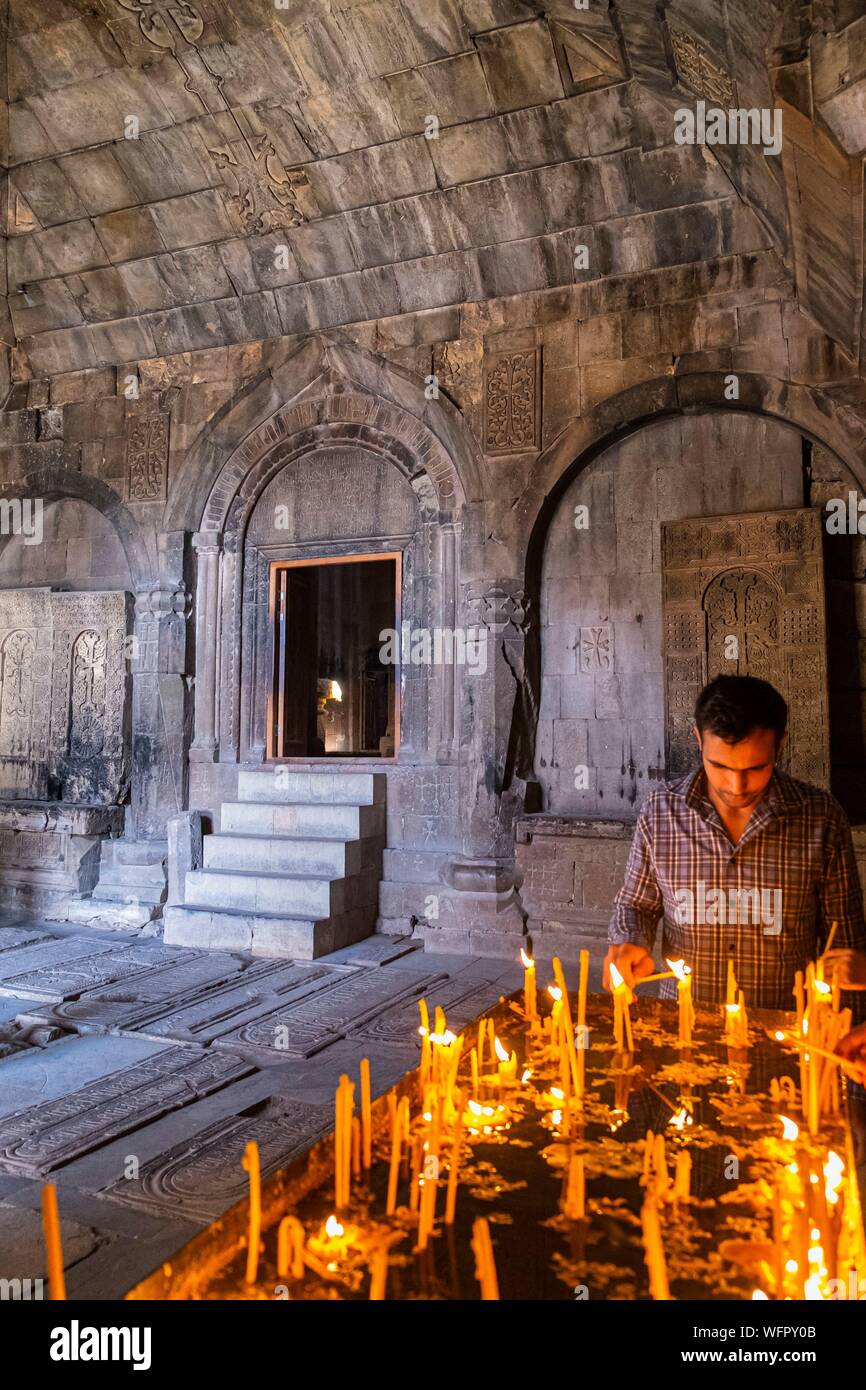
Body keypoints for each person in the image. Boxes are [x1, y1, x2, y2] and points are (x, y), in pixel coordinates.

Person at [604, 674, 866, 1013]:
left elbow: (844, 944)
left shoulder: (820, 818)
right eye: (719, 766)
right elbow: (637, 905)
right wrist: (628, 941)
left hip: (783, 1030)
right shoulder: (662, 812)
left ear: (780, 744)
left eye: (756, 767)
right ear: (698, 738)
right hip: (684, 1027)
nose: (737, 785)